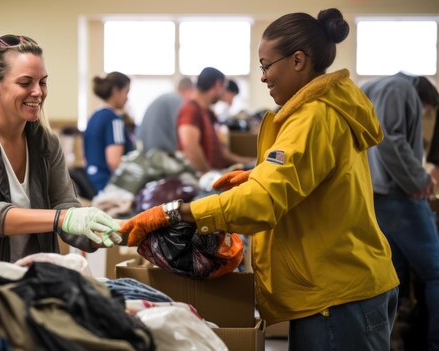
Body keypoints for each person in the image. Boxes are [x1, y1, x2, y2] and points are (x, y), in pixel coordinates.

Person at [120, 8, 399, 351]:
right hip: (341, 285)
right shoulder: (327, 108)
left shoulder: (313, 117)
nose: (264, 77)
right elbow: (322, 176)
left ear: (298, 60)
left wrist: (174, 212)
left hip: (337, 297)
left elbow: (262, 202)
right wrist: (261, 173)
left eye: (267, 66)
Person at [0, 34, 121, 272]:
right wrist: (62, 219)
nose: (38, 92)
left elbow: (65, 205)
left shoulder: (46, 144)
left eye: (43, 82)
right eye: (25, 83)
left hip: (28, 281)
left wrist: (100, 231)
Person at [362, 73, 439, 350]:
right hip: (397, 195)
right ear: (424, 100)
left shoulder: (372, 85)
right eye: (426, 111)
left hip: (374, 195)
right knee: (436, 272)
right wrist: (419, 179)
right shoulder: (400, 87)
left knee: (393, 276)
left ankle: (391, 341)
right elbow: (391, 139)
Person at [176, 67, 252, 173]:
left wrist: (247, 162)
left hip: (214, 176)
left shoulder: (208, 113)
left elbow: (221, 151)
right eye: (224, 88)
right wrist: (208, 175)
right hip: (201, 181)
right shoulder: (190, 110)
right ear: (217, 85)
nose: (224, 93)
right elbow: (190, 148)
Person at [83, 71, 134, 192]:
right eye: (126, 92)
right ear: (115, 91)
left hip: (90, 181)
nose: (127, 98)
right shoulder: (114, 119)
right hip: (106, 186)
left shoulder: (94, 116)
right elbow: (115, 162)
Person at [137, 77, 194, 153]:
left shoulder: (167, 98)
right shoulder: (178, 101)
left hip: (146, 149)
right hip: (159, 153)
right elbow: (181, 132)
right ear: (189, 90)